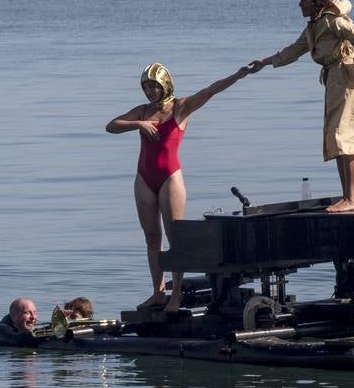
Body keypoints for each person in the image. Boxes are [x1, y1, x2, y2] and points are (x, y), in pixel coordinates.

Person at [106, 62, 256, 312]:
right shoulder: (142, 111)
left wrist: (238, 75)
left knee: (175, 238)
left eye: (154, 86)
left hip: (169, 177)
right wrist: (138, 124)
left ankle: (176, 295)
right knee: (151, 238)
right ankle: (158, 293)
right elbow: (111, 126)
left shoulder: (180, 107)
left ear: (165, 85)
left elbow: (211, 90)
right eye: (146, 87)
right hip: (144, 177)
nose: (150, 92)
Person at [250, 0, 354, 213]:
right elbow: (294, 49)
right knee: (336, 137)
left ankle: (351, 199)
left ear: (316, 1)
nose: (299, 3)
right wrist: (266, 62)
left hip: (347, 77)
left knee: (346, 136)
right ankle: (347, 197)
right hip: (334, 78)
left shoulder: (333, 20)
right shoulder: (314, 25)